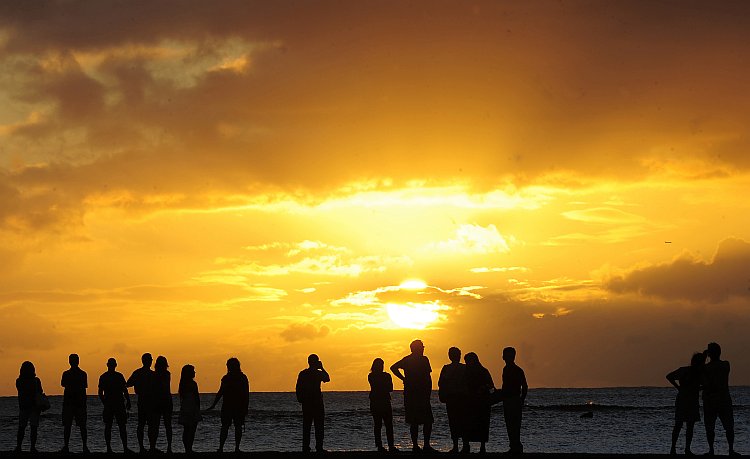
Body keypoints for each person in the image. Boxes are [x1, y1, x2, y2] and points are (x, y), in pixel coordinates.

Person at [391, 339, 436, 453]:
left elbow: (393, 367)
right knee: (424, 421)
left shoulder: (408, 360)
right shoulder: (423, 360)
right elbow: (427, 377)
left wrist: (404, 379)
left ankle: (418, 445)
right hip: (418, 394)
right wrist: (404, 378)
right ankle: (423, 445)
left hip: (413, 393)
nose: (423, 349)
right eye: (421, 347)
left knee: (417, 421)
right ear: (417, 348)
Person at [702, 342, 739, 456]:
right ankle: (731, 450)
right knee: (729, 426)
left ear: (709, 354)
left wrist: (704, 357)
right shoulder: (725, 365)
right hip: (724, 399)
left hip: (710, 399)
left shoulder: (706, 367)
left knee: (710, 426)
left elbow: (701, 373)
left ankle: (711, 450)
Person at [207, 357, 250, 453]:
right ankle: (235, 448)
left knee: (226, 427)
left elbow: (221, 392)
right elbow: (246, 393)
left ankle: (223, 448)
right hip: (235, 406)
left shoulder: (228, 378)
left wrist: (214, 404)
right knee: (235, 427)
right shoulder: (241, 377)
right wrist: (245, 407)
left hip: (230, 406)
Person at [667, 352, 705, 455]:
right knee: (685, 425)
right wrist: (679, 388)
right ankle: (681, 449)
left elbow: (669, 376)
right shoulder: (692, 372)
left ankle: (677, 448)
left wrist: (679, 388)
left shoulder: (688, 371)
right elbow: (669, 376)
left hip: (687, 399)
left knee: (682, 425)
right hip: (688, 400)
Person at [296, 354, 330, 453]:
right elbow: (327, 378)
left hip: (308, 402)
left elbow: (298, 387)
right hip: (316, 402)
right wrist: (322, 368)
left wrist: (300, 398)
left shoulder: (303, 373)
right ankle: (318, 447)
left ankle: (306, 447)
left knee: (307, 426)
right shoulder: (317, 373)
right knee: (318, 426)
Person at [463, 352, 495, 454]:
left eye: (468, 361)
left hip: (481, 401)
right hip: (470, 401)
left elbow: (491, 386)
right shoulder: (466, 372)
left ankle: (482, 447)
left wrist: (483, 388)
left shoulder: (483, 371)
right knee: (468, 424)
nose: (467, 363)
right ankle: (467, 446)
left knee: (482, 424)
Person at [99, 357, 132, 453]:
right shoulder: (117, 376)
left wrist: (128, 400)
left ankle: (117, 448)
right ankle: (118, 448)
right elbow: (101, 392)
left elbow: (124, 390)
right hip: (116, 404)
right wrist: (128, 401)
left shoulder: (106, 376)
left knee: (116, 426)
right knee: (116, 426)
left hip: (115, 404)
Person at [438, 347, 467, 453]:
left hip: (452, 398)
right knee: (463, 422)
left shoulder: (446, 368)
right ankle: (465, 445)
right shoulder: (465, 368)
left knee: (453, 422)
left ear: (450, 356)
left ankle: (456, 446)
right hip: (462, 398)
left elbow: (441, 383)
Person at [127, 352, 157, 453]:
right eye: (150, 360)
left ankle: (146, 447)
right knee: (147, 425)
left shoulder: (139, 373)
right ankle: (148, 447)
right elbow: (128, 384)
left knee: (144, 425)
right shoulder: (151, 374)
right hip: (147, 401)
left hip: (146, 401)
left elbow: (128, 384)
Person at [61, 353, 89, 453]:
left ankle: (68, 446)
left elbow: (63, 384)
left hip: (73, 403)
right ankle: (83, 447)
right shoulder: (82, 374)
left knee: (70, 426)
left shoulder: (67, 374)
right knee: (79, 426)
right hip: (76, 403)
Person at [501, 347, 527, 454]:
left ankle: (516, 446)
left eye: (506, 355)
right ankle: (513, 445)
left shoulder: (518, 370)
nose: (504, 357)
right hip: (507, 399)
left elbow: (524, 386)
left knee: (514, 424)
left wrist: (521, 399)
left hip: (514, 399)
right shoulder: (505, 369)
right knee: (509, 424)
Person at [368, 358, 397, 453]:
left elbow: (389, 388)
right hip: (382, 401)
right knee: (385, 425)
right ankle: (388, 446)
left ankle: (382, 446)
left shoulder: (371, 376)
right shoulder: (385, 376)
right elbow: (390, 388)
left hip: (377, 401)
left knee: (380, 425)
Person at [16, 361, 45, 453]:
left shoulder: (19, 381)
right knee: (33, 428)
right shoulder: (36, 380)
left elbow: (21, 392)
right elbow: (40, 392)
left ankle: (19, 447)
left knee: (22, 427)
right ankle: (32, 447)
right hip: (34, 407)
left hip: (24, 406)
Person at [178, 364, 202, 454]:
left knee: (187, 429)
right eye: (193, 371)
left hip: (185, 407)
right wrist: (198, 408)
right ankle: (189, 449)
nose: (194, 372)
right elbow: (197, 397)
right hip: (192, 407)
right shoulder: (192, 384)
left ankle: (187, 449)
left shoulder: (182, 385)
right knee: (191, 430)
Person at [152, 355, 173, 453]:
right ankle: (169, 447)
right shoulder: (167, 374)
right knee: (167, 425)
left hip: (158, 401)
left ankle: (154, 446)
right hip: (166, 401)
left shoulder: (155, 375)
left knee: (156, 425)